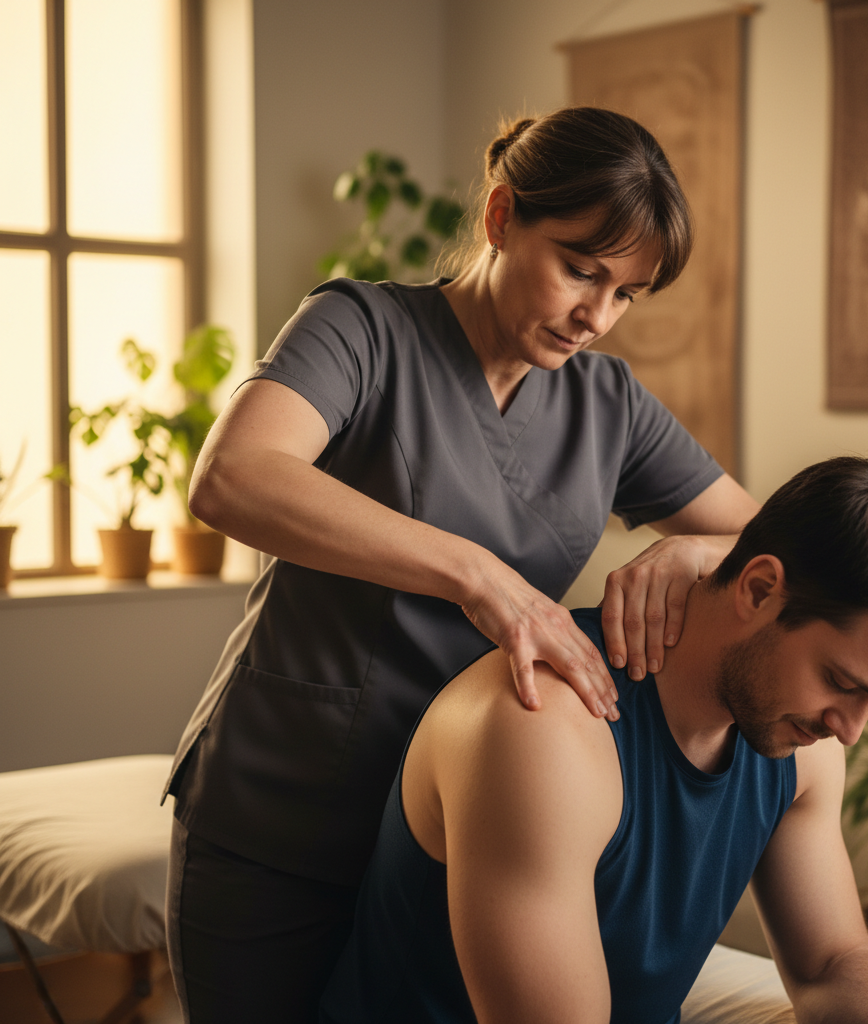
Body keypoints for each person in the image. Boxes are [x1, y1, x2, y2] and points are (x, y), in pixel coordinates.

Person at [163, 105, 761, 1023]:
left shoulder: (609, 405)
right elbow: (235, 477)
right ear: (499, 217)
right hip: (280, 821)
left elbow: (772, 546)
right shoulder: (360, 327)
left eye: (627, 294)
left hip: (442, 837)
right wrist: (480, 577)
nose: (596, 316)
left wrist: (690, 547)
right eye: (579, 268)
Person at [320, 456, 868, 1024]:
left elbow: (832, 964)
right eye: (842, 681)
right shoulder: (542, 728)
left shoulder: (806, 747)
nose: (850, 728)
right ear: (758, 589)